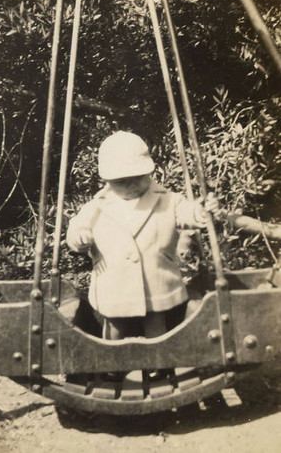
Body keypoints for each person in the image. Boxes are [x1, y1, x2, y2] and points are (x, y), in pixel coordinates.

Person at [66, 131, 219, 342]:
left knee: (157, 325)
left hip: (156, 280)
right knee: (114, 326)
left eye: (137, 178)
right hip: (114, 284)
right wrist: (80, 237)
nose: (131, 185)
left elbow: (186, 213)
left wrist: (201, 212)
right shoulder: (96, 206)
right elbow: (77, 227)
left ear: (149, 172)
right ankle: (112, 366)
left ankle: (158, 366)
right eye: (121, 181)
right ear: (107, 180)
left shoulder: (168, 200)